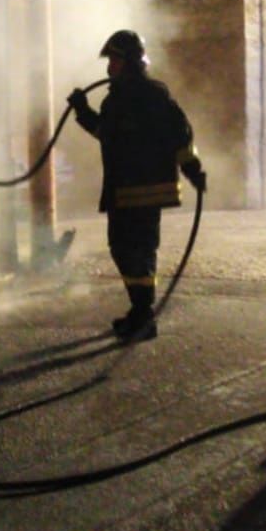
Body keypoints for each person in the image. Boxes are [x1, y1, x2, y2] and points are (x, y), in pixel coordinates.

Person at [67, 30, 206, 342]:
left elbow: (179, 133)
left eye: (114, 60)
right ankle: (141, 310)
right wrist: (82, 111)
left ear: (129, 61)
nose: (109, 68)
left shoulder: (152, 94)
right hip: (127, 189)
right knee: (129, 250)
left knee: (133, 250)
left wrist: (192, 168)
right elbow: (106, 133)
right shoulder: (117, 99)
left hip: (138, 191)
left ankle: (143, 314)